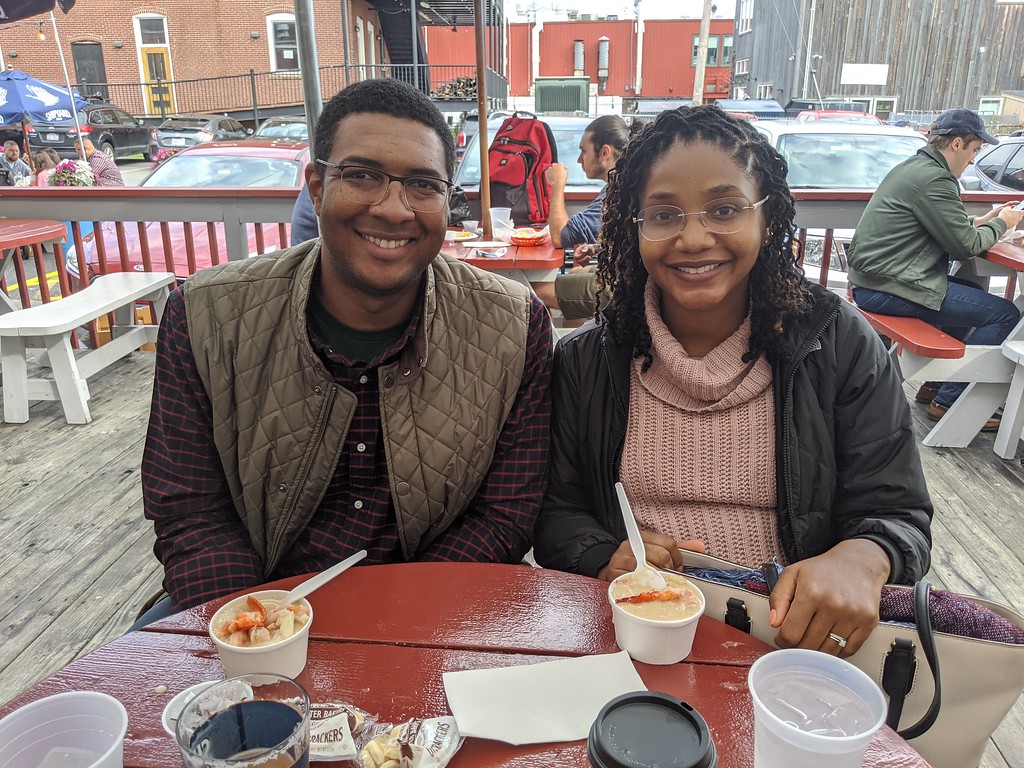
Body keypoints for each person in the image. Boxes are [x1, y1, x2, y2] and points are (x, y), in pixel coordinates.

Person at [142, 78, 554, 612]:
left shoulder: (515, 325)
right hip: (252, 600)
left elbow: (506, 512)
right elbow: (191, 510)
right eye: (362, 176)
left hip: (436, 605)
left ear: (447, 200)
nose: (393, 209)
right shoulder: (204, 315)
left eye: (423, 185)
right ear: (316, 186)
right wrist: (260, 623)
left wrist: (398, 618)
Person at [534, 106, 932, 657]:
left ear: (767, 219)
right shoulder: (588, 359)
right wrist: (604, 552)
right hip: (632, 633)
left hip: (794, 641)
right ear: (634, 227)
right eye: (664, 214)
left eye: (724, 209)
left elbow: (898, 512)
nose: (693, 238)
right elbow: (555, 512)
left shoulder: (837, 342)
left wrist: (861, 558)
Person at [846, 108, 1023, 429]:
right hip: (888, 289)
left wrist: (980, 222)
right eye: (974, 150)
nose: (973, 160)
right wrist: (1002, 223)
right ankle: (953, 400)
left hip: (874, 283)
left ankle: (936, 385)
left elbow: (945, 227)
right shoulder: (935, 179)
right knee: (1005, 315)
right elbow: (965, 246)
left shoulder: (915, 168)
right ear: (957, 144)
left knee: (971, 293)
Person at [534, 116, 630, 325]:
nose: (579, 160)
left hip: (622, 286)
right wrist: (598, 248)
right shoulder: (621, 183)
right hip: (623, 273)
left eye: (583, 151)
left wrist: (557, 185)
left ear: (604, 152)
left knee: (531, 290)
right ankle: (577, 351)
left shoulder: (619, 190)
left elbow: (561, 237)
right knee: (577, 271)